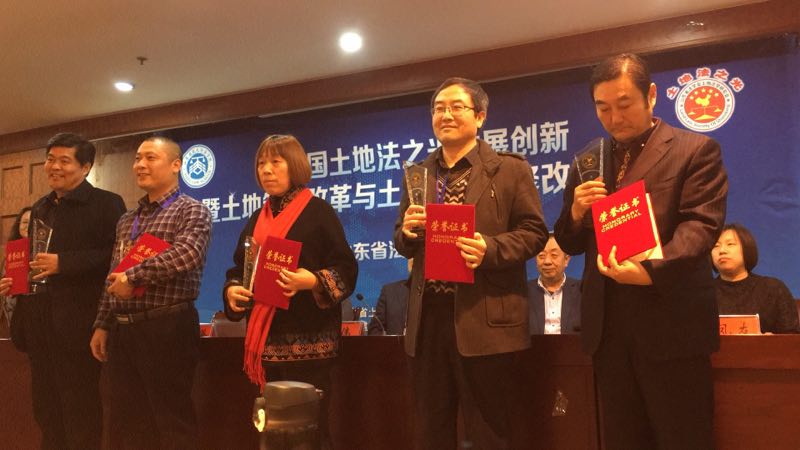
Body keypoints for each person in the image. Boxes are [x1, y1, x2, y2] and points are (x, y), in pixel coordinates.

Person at [554, 53, 728, 449]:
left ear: (650, 95)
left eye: (624, 104)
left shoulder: (695, 149)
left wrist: (651, 269)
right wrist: (577, 213)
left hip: (671, 327)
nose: (614, 118)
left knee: (683, 438)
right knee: (622, 439)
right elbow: (569, 242)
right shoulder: (588, 160)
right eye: (603, 108)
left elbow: (701, 226)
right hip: (609, 333)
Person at [395, 77, 548, 449]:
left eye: (456, 107)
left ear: (480, 117)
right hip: (429, 319)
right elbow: (401, 238)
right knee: (431, 431)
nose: (445, 115)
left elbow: (534, 232)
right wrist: (408, 233)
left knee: (488, 432)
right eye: (438, 109)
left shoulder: (509, 170)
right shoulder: (418, 174)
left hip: (484, 316)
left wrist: (489, 249)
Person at [223, 134, 357, 448]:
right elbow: (238, 270)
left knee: (309, 431)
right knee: (271, 430)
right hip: (266, 346)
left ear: (294, 166)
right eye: (261, 163)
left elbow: (346, 269)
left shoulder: (318, 212)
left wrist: (312, 281)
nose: (266, 170)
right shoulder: (256, 219)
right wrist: (233, 290)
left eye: (275, 162)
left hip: (312, 344)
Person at [0, 133, 125, 450]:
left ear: (85, 167)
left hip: (79, 324)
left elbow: (116, 257)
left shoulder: (106, 203)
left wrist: (64, 263)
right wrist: (16, 280)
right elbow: (34, 259)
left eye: (64, 161)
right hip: (39, 322)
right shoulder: (40, 207)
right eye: (50, 159)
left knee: (79, 409)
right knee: (46, 409)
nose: (54, 167)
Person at [90, 136, 212, 449]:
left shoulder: (191, 210)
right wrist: (103, 323)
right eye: (137, 158)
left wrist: (134, 276)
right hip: (123, 331)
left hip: (167, 326)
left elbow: (187, 254)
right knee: (129, 423)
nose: (140, 165)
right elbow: (113, 273)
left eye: (150, 158)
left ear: (176, 165)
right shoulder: (126, 220)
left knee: (171, 421)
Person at [712, 223, 799, 334]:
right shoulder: (702, 293)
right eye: (716, 246)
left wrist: (774, 340)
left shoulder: (773, 289)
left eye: (730, 244)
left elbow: (793, 337)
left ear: (747, 248)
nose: (722, 250)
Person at [528, 234, 581, 335]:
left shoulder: (581, 290)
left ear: (566, 260)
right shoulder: (524, 292)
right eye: (541, 256)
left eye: (554, 255)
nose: (547, 261)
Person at [1, 206, 31, 332]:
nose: (28, 226)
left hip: (39, 311)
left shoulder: (46, 251)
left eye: (32, 222)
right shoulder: (10, 254)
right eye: (24, 222)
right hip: (15, 311)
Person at [368, 258, 411, 335]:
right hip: (396, 342)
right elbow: (375, 328)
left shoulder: (434, 292)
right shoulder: (390, 291)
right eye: (413, 256)